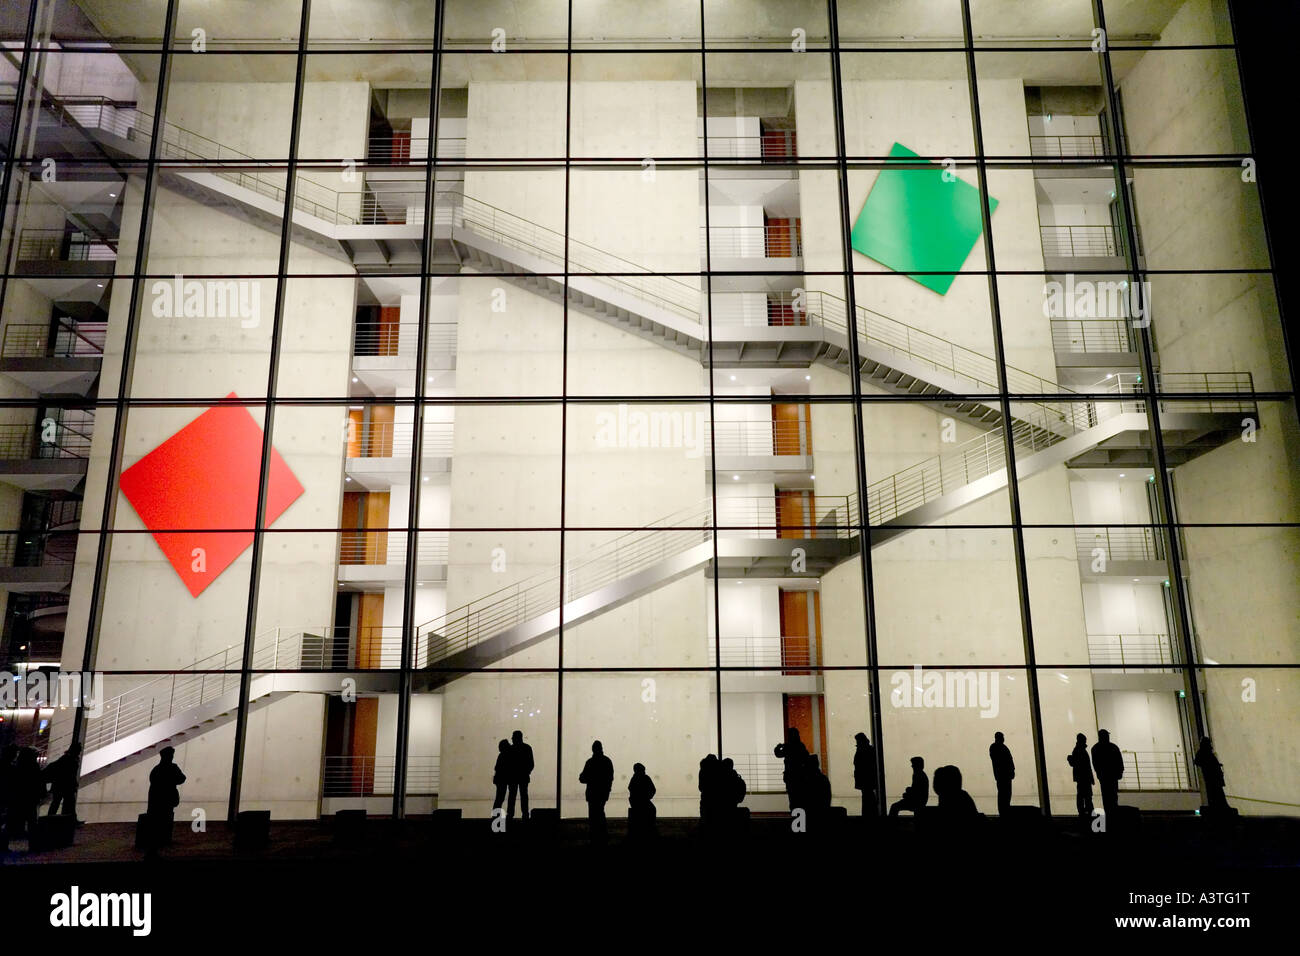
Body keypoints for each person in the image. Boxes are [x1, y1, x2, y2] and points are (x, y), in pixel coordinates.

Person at [2, 748, 43, 851]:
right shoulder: (34, 767)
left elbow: (12, 784)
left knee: (11, 823)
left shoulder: (17, 767)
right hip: (29, 800)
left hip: (17, 799)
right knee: (32, 823)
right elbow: (38, 782)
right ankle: (33, 845)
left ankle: (4, 845)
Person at [146, 747, 186, 850]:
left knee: (158, 820)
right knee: (166, 819)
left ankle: (157, 841)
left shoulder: (156, 769)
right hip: (167, 798)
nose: (171, 757)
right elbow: (182, 778)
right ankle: (164, 839)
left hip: (157, 800)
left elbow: (153, 782)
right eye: (171, 755)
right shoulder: (172, 768)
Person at [578, 740, 614, 841]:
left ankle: (595, 836)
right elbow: (610, 778)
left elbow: (582, 778)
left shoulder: (590, 762)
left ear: (593, 749)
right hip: (602, 793)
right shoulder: (607, 761)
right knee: (600, 813)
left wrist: (590, 779)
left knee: (593, 815)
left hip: (592, 793)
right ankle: (602, 835)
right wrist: (607, 789)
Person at [1091, 729, 1124, 820]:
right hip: (1112, 776)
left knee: (1106, 796)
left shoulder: (1095, 748)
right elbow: (1119, 761)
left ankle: (1109, 814)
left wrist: (1099, 774)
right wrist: (1120, 772)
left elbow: (1095, 763)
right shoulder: (1113, 747)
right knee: (1113, 795)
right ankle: (1113, 814)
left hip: (1104, 776)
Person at [773, 728, 809, 812]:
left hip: (790, 777)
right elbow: (806, 757)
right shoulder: (800, 746)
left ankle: (795, 817)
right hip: (800, 776)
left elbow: (778, 754)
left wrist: (778, 747)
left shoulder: (788, 746)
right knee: (801, 799)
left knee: (793, 799)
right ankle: (801, 819)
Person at [44, 743, 81, 818]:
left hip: (59, 785)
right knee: (68, 803)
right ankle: (69, 819)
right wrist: (74, 785)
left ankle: (50, 819)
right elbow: (70, 775)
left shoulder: (66, 758)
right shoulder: (71, 760)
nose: (79, 752)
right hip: (66, 786)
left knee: (56, 803)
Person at [1194, 737, 1231, 813]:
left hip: (1210, 775)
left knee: (1213, 791)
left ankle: (1217, 805)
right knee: (1216, 791)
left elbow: (1197, 761)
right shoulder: (1206, 753)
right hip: (1212, 776)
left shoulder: (1202, 752)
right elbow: (1199, 761)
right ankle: (1219, 805)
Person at [507, 730, 533, 822]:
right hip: (523, 776)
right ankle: (525, 814)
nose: (512, 739)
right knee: (524, 796)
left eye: (513, 737)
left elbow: (508, 764)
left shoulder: (510, 749)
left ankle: (510, 814)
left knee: (512, 796)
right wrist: (527, 772)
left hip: (513, 777)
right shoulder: (527, 748)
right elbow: (531, 763)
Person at [1067, 733, 1094, 820]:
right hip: (1084, 778)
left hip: (1081, 778)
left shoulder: (1077, 750)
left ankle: (1084, 812)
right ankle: (1088, 812)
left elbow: (1075, 763)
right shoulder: (1081, 750)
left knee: (1082, 796)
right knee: (1086, 796)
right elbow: (1085, 766)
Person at [988, 731, 1015, 816]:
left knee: (1005, 794)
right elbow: (1006, 760)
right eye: (1002, 737)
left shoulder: (996, 747)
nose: (1003, 739)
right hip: (1003, 776)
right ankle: (1003, 812)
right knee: (1004, 795)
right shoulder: (997, 748)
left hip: (1004, 776)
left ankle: (1004, 812)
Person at [628, 762, 657, 837]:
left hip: (638, 801)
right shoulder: (644, 778)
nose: (644, 772)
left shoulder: (635, 778)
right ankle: (650, 828)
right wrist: (647, 797)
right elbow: (653, 789)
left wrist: (647, 797)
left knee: (651, 810)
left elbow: (630, 789)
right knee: (652, 810)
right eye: (643, 770)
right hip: (640, 801)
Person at [853, 733, 878, 817]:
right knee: (868, 797)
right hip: (866, 779)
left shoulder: (864, 750)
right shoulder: (868, 749)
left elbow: (858, 763)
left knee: (867, 797)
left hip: (865, 779)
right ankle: (870, 815)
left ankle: (868, 815)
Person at [491, 739, 510, 817]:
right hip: (503, 780)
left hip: (500, 779)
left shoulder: (502, 755)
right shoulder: (505, 755)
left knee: (499, 798)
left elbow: (497, 768)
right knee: (500, 798)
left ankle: (495, 815)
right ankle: (496, 815)